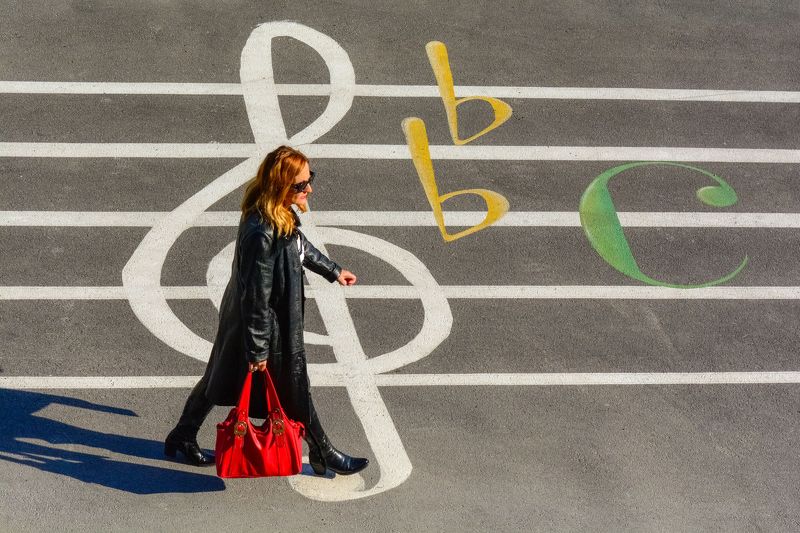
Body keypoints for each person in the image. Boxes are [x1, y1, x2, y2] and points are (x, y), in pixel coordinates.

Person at [165, 145, 369, 476]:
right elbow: (257, 297)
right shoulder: (262, 232)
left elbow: (298, 245)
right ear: (280, 185)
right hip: (266, 326)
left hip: (248, 322)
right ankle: (324, 452)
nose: (309, 189)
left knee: (219, 377)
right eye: (301, 184)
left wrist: (332, 270)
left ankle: (182, 434)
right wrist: (258, 349)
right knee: (294, 387)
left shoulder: (276, 214)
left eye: (310, 179)